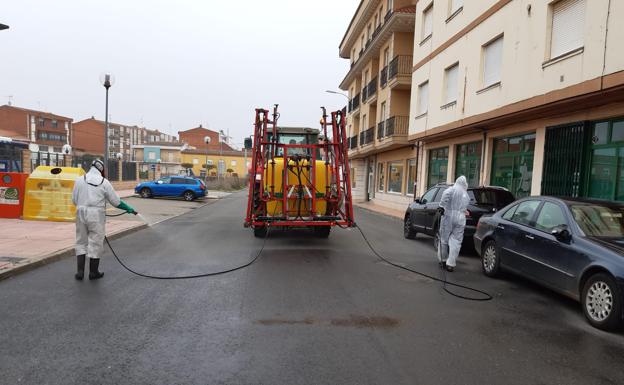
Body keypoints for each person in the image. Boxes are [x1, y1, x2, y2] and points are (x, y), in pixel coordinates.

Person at [72, 159, 136, 280]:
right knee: (95, 242)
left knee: (81, 241)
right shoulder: (104, 182)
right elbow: (116, 201)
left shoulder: (79, 180)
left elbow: (74, 200)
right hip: (96, 214)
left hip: (80, 212)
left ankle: (80, 272)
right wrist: (128, 208)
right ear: (101, 169)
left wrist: (83, 205)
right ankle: (93, 272)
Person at [437, 175, 470, 272]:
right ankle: (450, 264)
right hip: (460, 218)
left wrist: (441, 206)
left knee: (443, 239)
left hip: (448, 216)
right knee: (456, 241)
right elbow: (464, 207)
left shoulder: (451, 189)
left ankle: (443, 260)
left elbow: (445, 194)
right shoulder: (466, 195)